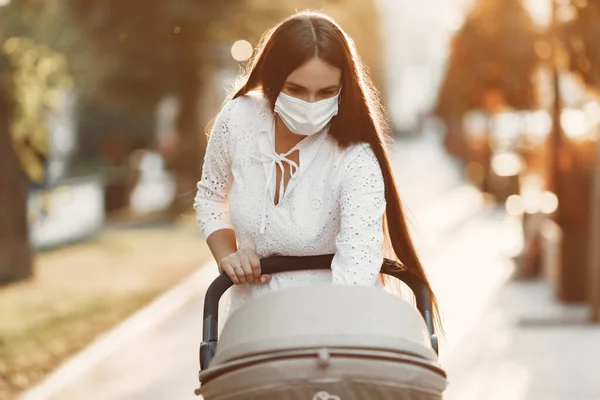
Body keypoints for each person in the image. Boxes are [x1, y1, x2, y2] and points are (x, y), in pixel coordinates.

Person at [193, 10, 439, 324]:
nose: (310, 105)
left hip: (332, 327)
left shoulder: (355, 159)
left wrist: (320, 341)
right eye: (296, 90)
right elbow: (210, 197)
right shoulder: (239, 119)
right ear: (272, 79)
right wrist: (228, 256)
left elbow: (356, 276)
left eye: (325, 93)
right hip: (250, 328)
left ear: (343, 88)